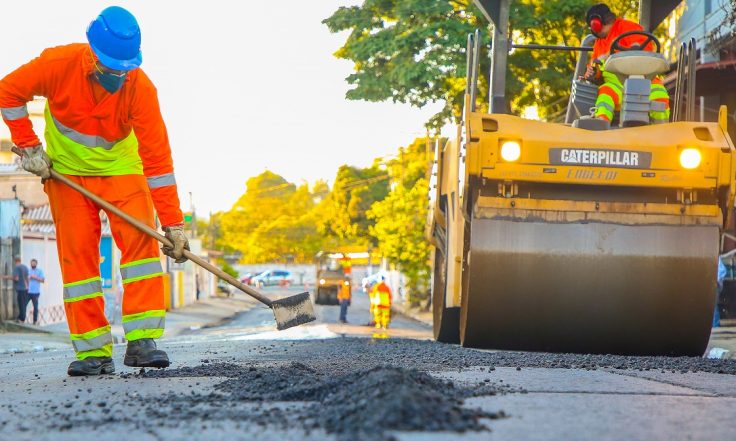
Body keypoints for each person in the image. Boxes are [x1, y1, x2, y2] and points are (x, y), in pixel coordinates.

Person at [0, 6, 189, 376]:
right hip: (67, 175)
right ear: (92, 52)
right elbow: (7, 93)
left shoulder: (141, 88)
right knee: (78, 259)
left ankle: (142, 341)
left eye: (125, 68)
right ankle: (93, 352)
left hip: (122, 170)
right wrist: (29, 146)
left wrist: (174, 224)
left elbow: (159, 163)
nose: (118, 75)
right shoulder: (58, 65)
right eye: (111, 67)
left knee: (141, 248)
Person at [584, 3, 670, 123]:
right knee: (605, 94)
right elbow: (595, 70)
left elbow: (645, 54)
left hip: (647, 81)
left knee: (659, 95)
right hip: (616, 85)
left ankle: (661, 132)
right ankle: (601, 125)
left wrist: (610, 55)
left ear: (596, 24)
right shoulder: (599, 43)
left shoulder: (629, 27)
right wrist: (592, 72)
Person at [26, 259, 45, 325]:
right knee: (24, 305)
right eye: (32, 263)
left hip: (36, 292)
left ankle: (35, 321)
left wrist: (35, 277)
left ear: (36, 264)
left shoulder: (39, 271)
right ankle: (23, 319)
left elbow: (43, 280)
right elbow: (26, 279)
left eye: (34, 263)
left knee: (35, 307)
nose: (33, 264)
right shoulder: (28, 271)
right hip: (28, 291)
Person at [12, 257, 29, 324]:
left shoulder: (17, 267)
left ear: (15, 261)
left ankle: (21, 319)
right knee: (23, 304)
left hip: (20, 288)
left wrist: (6, 277)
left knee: (21, 304)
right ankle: (21, 318)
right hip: (25, 289)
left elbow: (16, 278)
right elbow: (27, 278)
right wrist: (28, 287)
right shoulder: (25, 267)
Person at [714, 258, 727, 328]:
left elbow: (722, 271)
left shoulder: (716, 258)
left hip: (714, 286)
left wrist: (715, 281)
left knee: (713, 306)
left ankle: (715, 326)